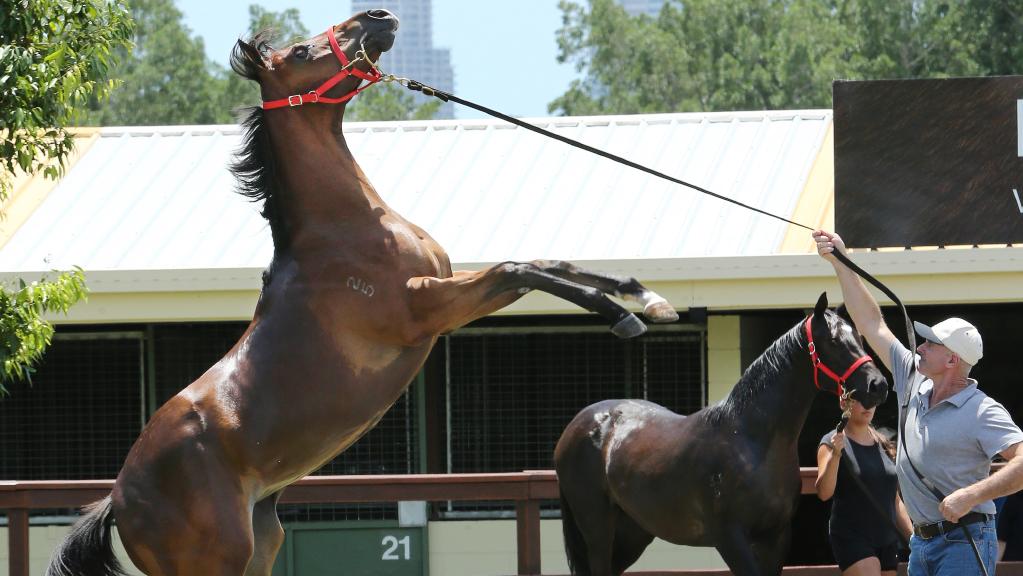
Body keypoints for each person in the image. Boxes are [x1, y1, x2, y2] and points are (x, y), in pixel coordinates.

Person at [814, 229, 1023, 576]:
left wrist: (970, 496)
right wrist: (841, 262)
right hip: (921, 544)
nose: (920, 348)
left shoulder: (982, 410)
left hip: (965, 539)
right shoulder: (913, 376)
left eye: (930, 344)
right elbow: (870, 323)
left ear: (953, 360)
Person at [817, 394, 913, 576]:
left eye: (872, 399)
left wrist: (914, 540)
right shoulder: (831, 442)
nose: (867, 405)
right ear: (843, 402)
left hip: (887, 539)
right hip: (852, 537)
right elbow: (823, 493)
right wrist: (836, 455)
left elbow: (895, 499)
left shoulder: (884, 442)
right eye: (860, 398)